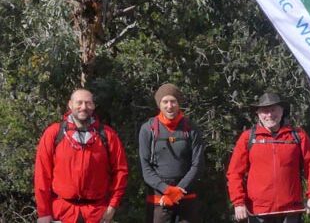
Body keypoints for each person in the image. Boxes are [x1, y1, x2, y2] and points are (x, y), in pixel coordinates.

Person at [34, 89, 129, 223]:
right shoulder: (54, 133)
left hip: (97, 213)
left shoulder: (107, 135)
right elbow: (42, 174)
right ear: (70, 104)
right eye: (79, 102)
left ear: (94, 106)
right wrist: (44, 213)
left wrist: (112, 206)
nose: (83, 107)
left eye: (88, 103)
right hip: (62, 212)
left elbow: (120, 171)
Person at [226, 92, 310, 223]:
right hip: (258, 212)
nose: (270, 115)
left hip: (291, 211)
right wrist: (238, 203)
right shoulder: (248, 138)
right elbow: (234, 173)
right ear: (258, 114)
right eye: (265, 111)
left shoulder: (298, 136)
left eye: (273, 110)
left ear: (282, 111)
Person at [139, 83, 204, 223]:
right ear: (159, 104)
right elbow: (146, 168)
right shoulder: (148, 129)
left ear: (178, 103)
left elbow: (197, 164)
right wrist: (167, 190)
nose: (169, 106)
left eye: (173, 101)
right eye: (165, 101)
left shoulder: (191, 128)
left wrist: (178, 191)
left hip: (186, 197)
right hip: (158, 199)